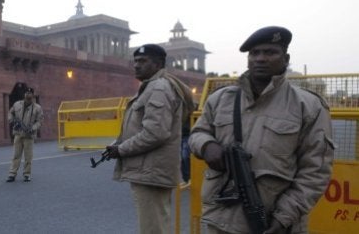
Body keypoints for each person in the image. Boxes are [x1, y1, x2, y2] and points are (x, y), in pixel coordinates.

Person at [188, 26, 335, 234]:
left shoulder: (308, 106)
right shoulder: (221, 99)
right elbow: (197, 133)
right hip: (220, 220)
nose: (260, 59)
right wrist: (207, 145)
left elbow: (315, 172)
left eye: (270, 52)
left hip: (275, 223)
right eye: (254, 53)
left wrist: (284, 217)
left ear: (286, 58)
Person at [105, 44, 192, 234]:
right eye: (135, 61)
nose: (136, 65)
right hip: (150, 169)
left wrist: (121, 149)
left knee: (153, 228)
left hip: (151, 171)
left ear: (158, 64)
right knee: (157, 224)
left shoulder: (158, 88)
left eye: (142, 61)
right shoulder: (151, 87)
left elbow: (155, 133)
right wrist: (118, 143)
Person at [6, 87, 43, 182]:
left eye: (30, 93)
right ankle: (12, 174)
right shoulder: (17, 104)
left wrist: (33, 128)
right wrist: (13, 121)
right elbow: (10, 113)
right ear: (24, 94)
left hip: (29, 136)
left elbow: (39, 121)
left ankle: (27, 174)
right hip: (18, 134)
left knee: (28, 157)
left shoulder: (37, 108)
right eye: (26, 93)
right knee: (16, 155)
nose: (28, 95)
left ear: (33, 95)